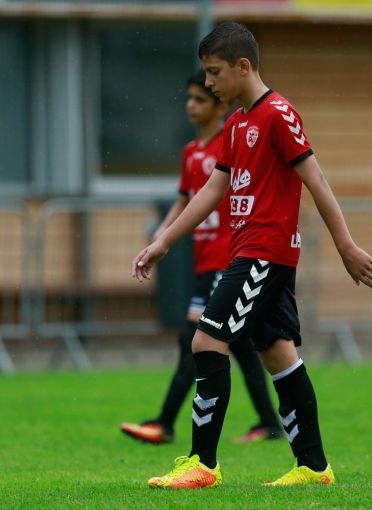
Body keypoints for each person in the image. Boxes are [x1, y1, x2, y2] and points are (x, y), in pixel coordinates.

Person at [131, 22, 372, 488]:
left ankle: (202, 464)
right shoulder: (236, 123)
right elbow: (213, 189)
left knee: (206, 343)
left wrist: (345, 245)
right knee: (278, 356)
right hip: (249, 253)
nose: (209, 82)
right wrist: (164, 240)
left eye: (215, 72)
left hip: (263, 254)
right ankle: (314, 467)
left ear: (243, 66)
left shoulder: (278, 114)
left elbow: (316, 180)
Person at [120, 70, 282, 446]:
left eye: (200, 99)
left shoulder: (231, 142)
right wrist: (162, 234)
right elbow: (184, 199)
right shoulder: (191, 152)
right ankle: (269, 422)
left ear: (220, 106)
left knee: (191, 339)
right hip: (204, 261)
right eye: (189, 98)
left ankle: (164, 423)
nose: (191, 106)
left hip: (228, 261)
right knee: (240, 345)